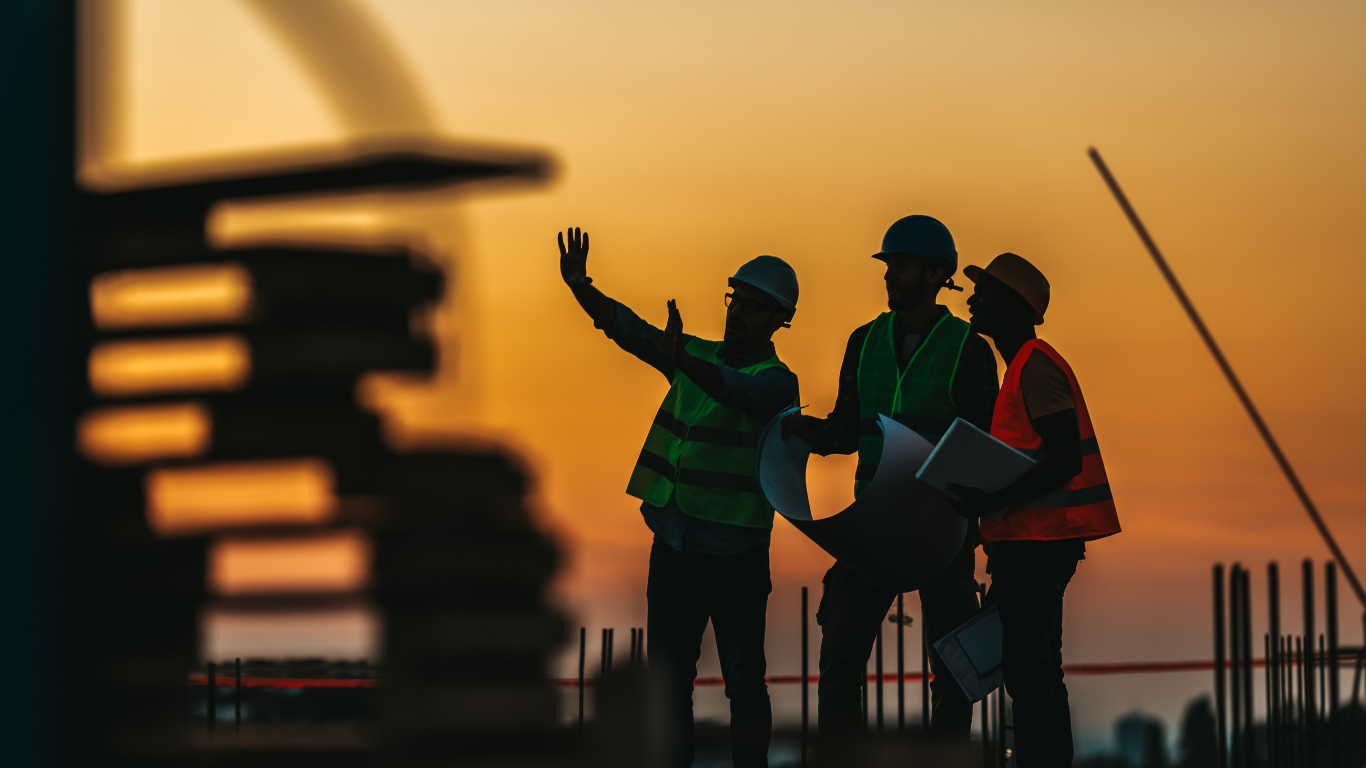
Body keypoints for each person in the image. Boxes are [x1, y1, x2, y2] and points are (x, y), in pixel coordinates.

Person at [556, 227, 800, 768]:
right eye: (735, 300)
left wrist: (682, 360)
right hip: (674, 545)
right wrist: (582, 287)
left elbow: (741, 393)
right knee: (668, 686)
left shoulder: (779, 382)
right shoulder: (692, 355)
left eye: (753, 308)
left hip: (734, 555)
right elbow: (630, 330)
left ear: (778, 319)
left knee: (743, 685)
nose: (738, 313)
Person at [780, 215, 998, 744]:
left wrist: (982, 538)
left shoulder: (967, 348)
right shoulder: (864, 342)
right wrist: (812, 434)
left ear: (933, 274)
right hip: (874, 529)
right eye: (889, 266)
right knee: (839, 664)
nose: (889, 276)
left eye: (900, 265)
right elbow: (851, 426)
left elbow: (983, 451)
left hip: (943, 530)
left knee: (951, 671)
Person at [948, 252, 1121, 768]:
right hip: (1029, 544)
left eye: (984, 293)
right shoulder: (1021, 369)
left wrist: (989, 501)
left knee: (1030, 672)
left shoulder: (1035, 366)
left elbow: (1063, 456)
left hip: (1039, 546)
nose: (973, 300)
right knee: (1038, 671)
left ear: (1013, 305)